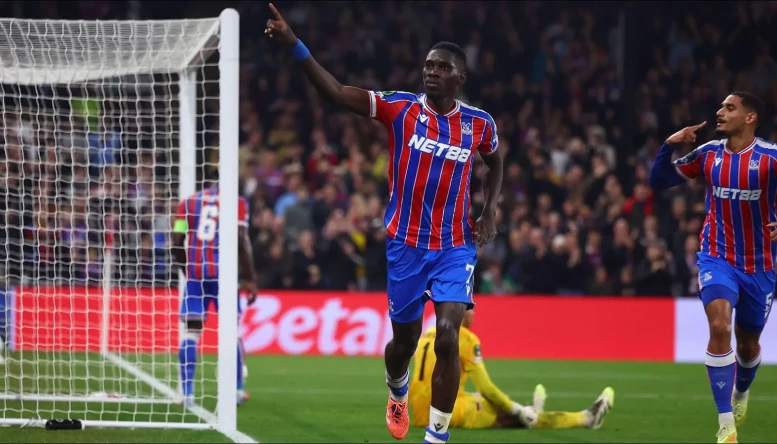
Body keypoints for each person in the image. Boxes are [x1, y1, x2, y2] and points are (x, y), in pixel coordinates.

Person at [266, 5, 504, 443]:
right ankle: (396, 389)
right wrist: (295, 46)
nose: (431, 72)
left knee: (449, 335)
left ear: (460, 78)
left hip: (455, 245)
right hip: (405, 245)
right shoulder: (400, 109)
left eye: (442, 67)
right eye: (428, 65)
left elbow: (494, 160)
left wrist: (488, 210)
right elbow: (337, 92)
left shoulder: (479, 124)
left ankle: (437, 436)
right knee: (405, 345)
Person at [649, 92, 773, 443]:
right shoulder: (709, 154)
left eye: (730, 108)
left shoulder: (770, 158)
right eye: (721, 106)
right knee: (719, 326)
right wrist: (667, 145)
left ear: (750, 118)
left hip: (761, 266)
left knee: (748, 346)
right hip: (716, 256)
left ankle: (741, 392)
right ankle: (725, 424)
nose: (720, 112)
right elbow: (659, 181)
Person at [409, 309, 615, 431]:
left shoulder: (429, 332)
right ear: (462, 311)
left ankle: (531, 411)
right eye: (471, 308)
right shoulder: (465, 338)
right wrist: (517, 409)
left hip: (419, 411)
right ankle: (585, 418)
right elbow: (487, 388)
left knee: (479, 397)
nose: (473, 313)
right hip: (444, 414)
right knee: (508, 413)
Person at [171, 172, 258, 406]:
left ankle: (186, 393)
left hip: (196, 274)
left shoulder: (187, 203)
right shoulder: (237, 202)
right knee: (232, 332)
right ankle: (237, 390)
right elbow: (241, 238)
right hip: (224, 276)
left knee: (191, 332)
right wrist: (251, 278)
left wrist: (186, 270)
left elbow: (177, 240)